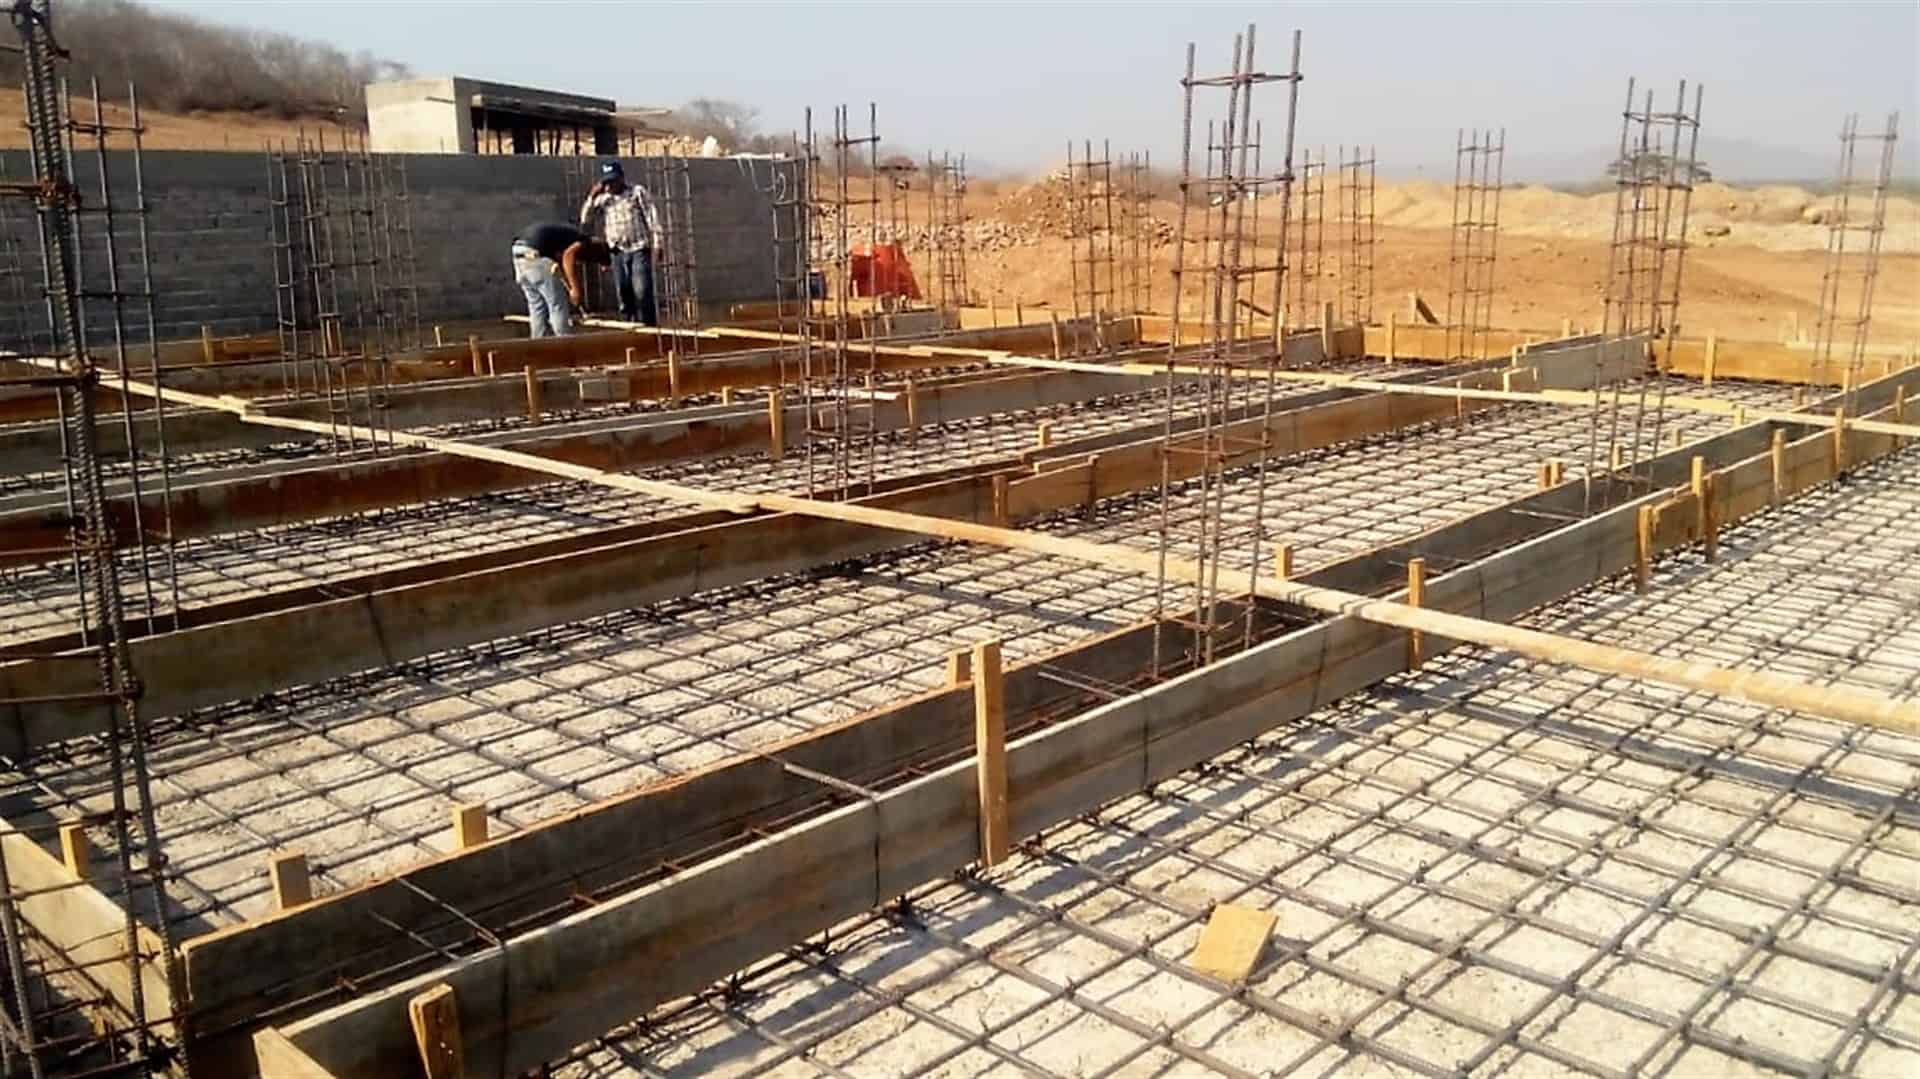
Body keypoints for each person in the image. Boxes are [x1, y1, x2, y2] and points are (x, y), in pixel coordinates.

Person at [578, 161, 663, 325]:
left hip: (638, 248)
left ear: (621, 178)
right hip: (617, 251)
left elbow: (652, 217)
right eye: (607, 182)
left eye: (613, 181)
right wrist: (592, 196)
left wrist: (658, 243)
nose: (610, 185)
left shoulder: (636, 192)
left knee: (642, 290)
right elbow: (585, 219)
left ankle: (648, 326)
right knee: (624, 293)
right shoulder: (604, 198)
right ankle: (630, 324)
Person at [511, 222, 606, 337]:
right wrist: (575, 289)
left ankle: (538, 344)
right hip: (536, 255)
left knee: (537, 308)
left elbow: (562, 266)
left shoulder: (562, 240)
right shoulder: (583, 241)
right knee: (557, 306)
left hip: (519, 255)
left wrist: (570, 286)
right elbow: (568, 257)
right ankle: (564, 342)